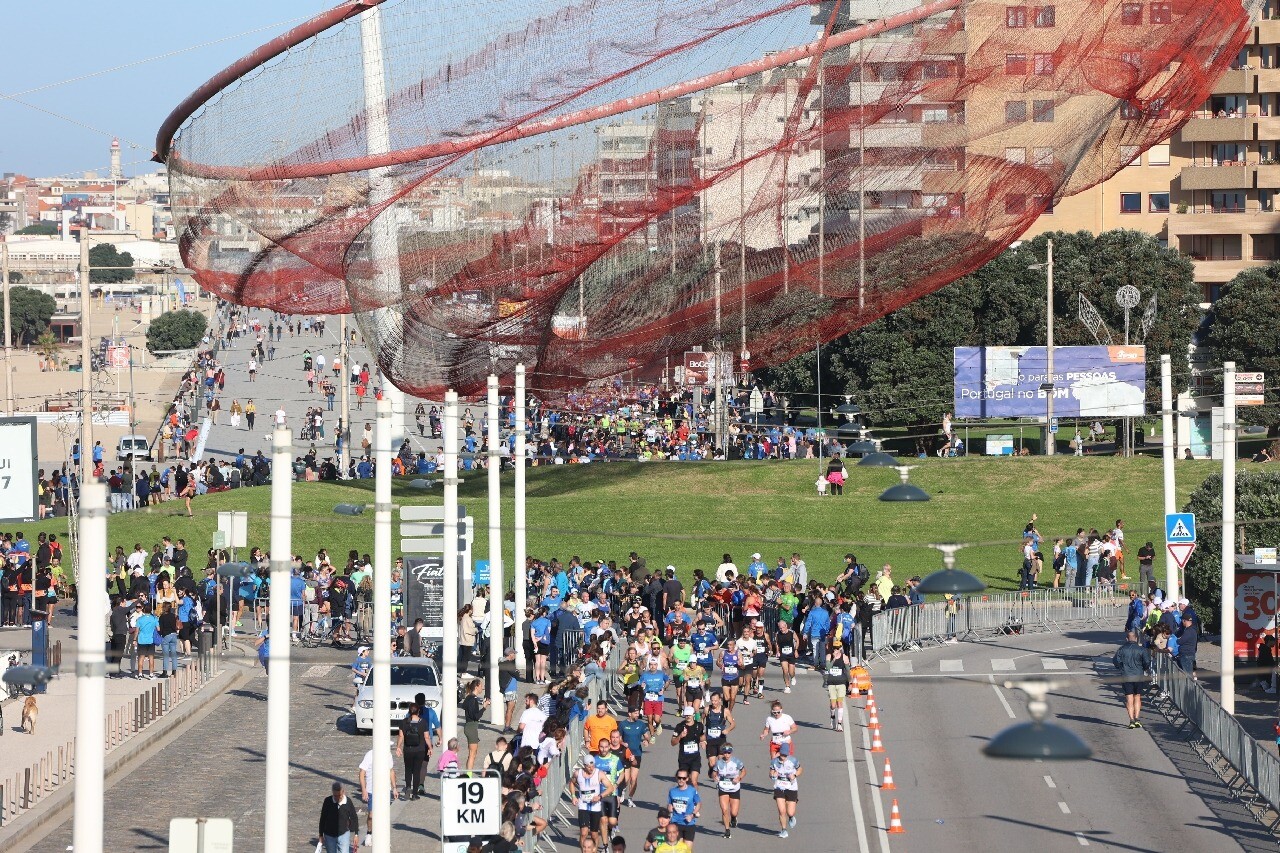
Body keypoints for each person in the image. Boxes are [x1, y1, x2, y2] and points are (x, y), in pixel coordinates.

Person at [573, 754, 616, 851]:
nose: (591, 768)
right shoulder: (578, 773)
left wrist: (600, 796)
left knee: (594, 834)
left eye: (593, 766)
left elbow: (610, 788)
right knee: (584, 832)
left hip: (595, 806)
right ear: (584, 765)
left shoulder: (599, 773)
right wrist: (573, 796)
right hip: (583, 805)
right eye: (588, 766)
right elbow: (571, 782)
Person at [1113, 629, 1153, 729]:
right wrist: (1143, 668)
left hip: (1126, 676)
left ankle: (1131, 720)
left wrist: (1121, 668)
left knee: (1129, 698)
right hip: (1138, 675)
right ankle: (1137, 718)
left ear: (1127, 639)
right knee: (1137, 696)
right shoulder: (1142, 649)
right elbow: (1147, 662)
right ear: (1136, 638)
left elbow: (1115, 661)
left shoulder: (1122, 649)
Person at [396, 702, 431, 798]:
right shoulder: (423, 722)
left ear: (409, 711)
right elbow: (427, 737)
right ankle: (415, 794)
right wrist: (430, 748)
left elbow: (401, 736)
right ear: (418, 711)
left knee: (408, 769)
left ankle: (408, 787)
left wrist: (398, 747)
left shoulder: (403, 722)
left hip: (408, 749)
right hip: (420, 750)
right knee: (417, 771)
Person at [710, 742, 745, 839]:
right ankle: (727, 830)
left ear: (731, 753)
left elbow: (744, 771)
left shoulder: (736, 762)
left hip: (734, 788)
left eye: (729, 752)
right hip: (723, 788)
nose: (727, 754)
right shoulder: (719, 762)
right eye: (725, 752)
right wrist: (715, 777)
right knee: (725, 810)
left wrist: (739, 778)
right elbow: (714, 773)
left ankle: (733, 818)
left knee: (733, 812)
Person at [770, 741, 802, 838]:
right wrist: (773, 775)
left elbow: (800, 769)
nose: (783, 757)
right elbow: (771, 772)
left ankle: (791, 817)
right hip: (779, 787)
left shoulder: (793, 761)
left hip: (791, 787)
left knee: (790, 812)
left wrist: (795, 775)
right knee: (781, 811)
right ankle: (784, 830)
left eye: (785, 755)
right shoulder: (774, 761)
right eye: (782, 754)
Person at [318, 781, 360, 853]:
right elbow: (323, 818)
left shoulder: (348, 801)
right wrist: (321, 835)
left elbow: (354, 817)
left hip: (344, 834)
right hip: (329, 834)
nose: (337, 798)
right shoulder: (327, 801)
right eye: (335, 795)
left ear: (343, 792)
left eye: (339, 795)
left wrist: (356, 834)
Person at [666, 767, 701, 849]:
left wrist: (692, 815)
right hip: (676, 823)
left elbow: (699, 803)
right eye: (679, 778)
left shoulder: (692, 791)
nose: (681, 780)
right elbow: (669, 804)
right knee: (679, 849)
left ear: (687, 779)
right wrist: (669, 808)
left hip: (689, 824)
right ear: (676, 778)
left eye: (684, 778)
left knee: (687, 850)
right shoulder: (672, 791)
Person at [671, 706, 706, 786]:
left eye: (689, 715)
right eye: (686, 715)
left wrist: (704, 742)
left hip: (695, 758)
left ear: (693, 715)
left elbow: (703, 737)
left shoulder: (699, 726)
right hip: (684, 759)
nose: (688, 717)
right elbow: (673, 742)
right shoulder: (679, 726)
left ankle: (696, 798)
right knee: (685, 783)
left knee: (693, 781)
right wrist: (680, 736)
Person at [462, 677, 490, 769]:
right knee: (472, 753)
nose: (482, 687)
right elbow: (476, 716)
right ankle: (469, 775)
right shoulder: (472, 699)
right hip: (471, 727)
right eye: (481, 685)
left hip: (470, 726)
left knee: (472, 753)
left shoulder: (470, 698)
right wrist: (484, 707)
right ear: (477, 687)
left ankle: (468, 773)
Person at [824, 640, 851, 731]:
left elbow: (847, 671)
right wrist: (834, 659)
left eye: (837, 648)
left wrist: (850, 683)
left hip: (841, 683)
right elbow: (828, 667)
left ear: (840, 648)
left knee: (839, 703)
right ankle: (832, 716)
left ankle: (839, 723)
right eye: (834, 648)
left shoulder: (844, 657)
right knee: (833, 705)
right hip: (831, 683)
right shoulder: (829, 656)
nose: (835, 650)